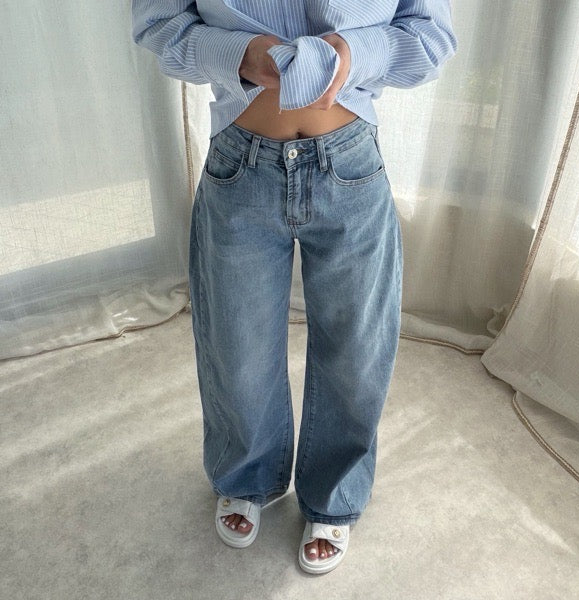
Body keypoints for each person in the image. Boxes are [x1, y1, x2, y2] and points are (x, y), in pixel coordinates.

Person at [132, 0, 457, 574]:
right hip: (241, 163)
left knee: (356, 350)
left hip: (349, 163)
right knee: (236, 343)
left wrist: (353, 54)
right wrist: (239, 55)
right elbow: (159, 23)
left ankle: (334, 490)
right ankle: (247, 474)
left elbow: (430, 36)